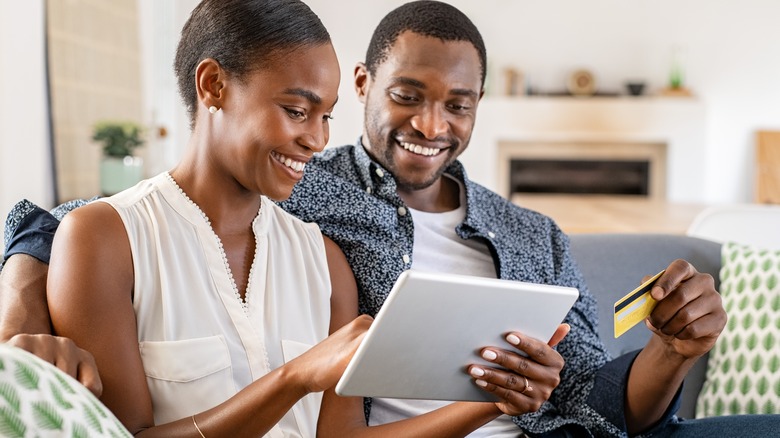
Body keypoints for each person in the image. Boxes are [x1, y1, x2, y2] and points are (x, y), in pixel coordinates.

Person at [2, 1, 778, 437]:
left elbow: (594, 403)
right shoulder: (304, 189)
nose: (432, 125)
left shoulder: (532, 234)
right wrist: (19, 306)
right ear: (366, 86)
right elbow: (68, 222)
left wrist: (671, 351)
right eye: (408, 96)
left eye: (458, 105)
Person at [3, 0, 374, 436]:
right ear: (213, 85)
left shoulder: (326, 264)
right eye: (296, 111)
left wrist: (457, 405)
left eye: (326, 116)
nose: (318, 139)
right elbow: (122, 434)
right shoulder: (103, 240)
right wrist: (294, 379)